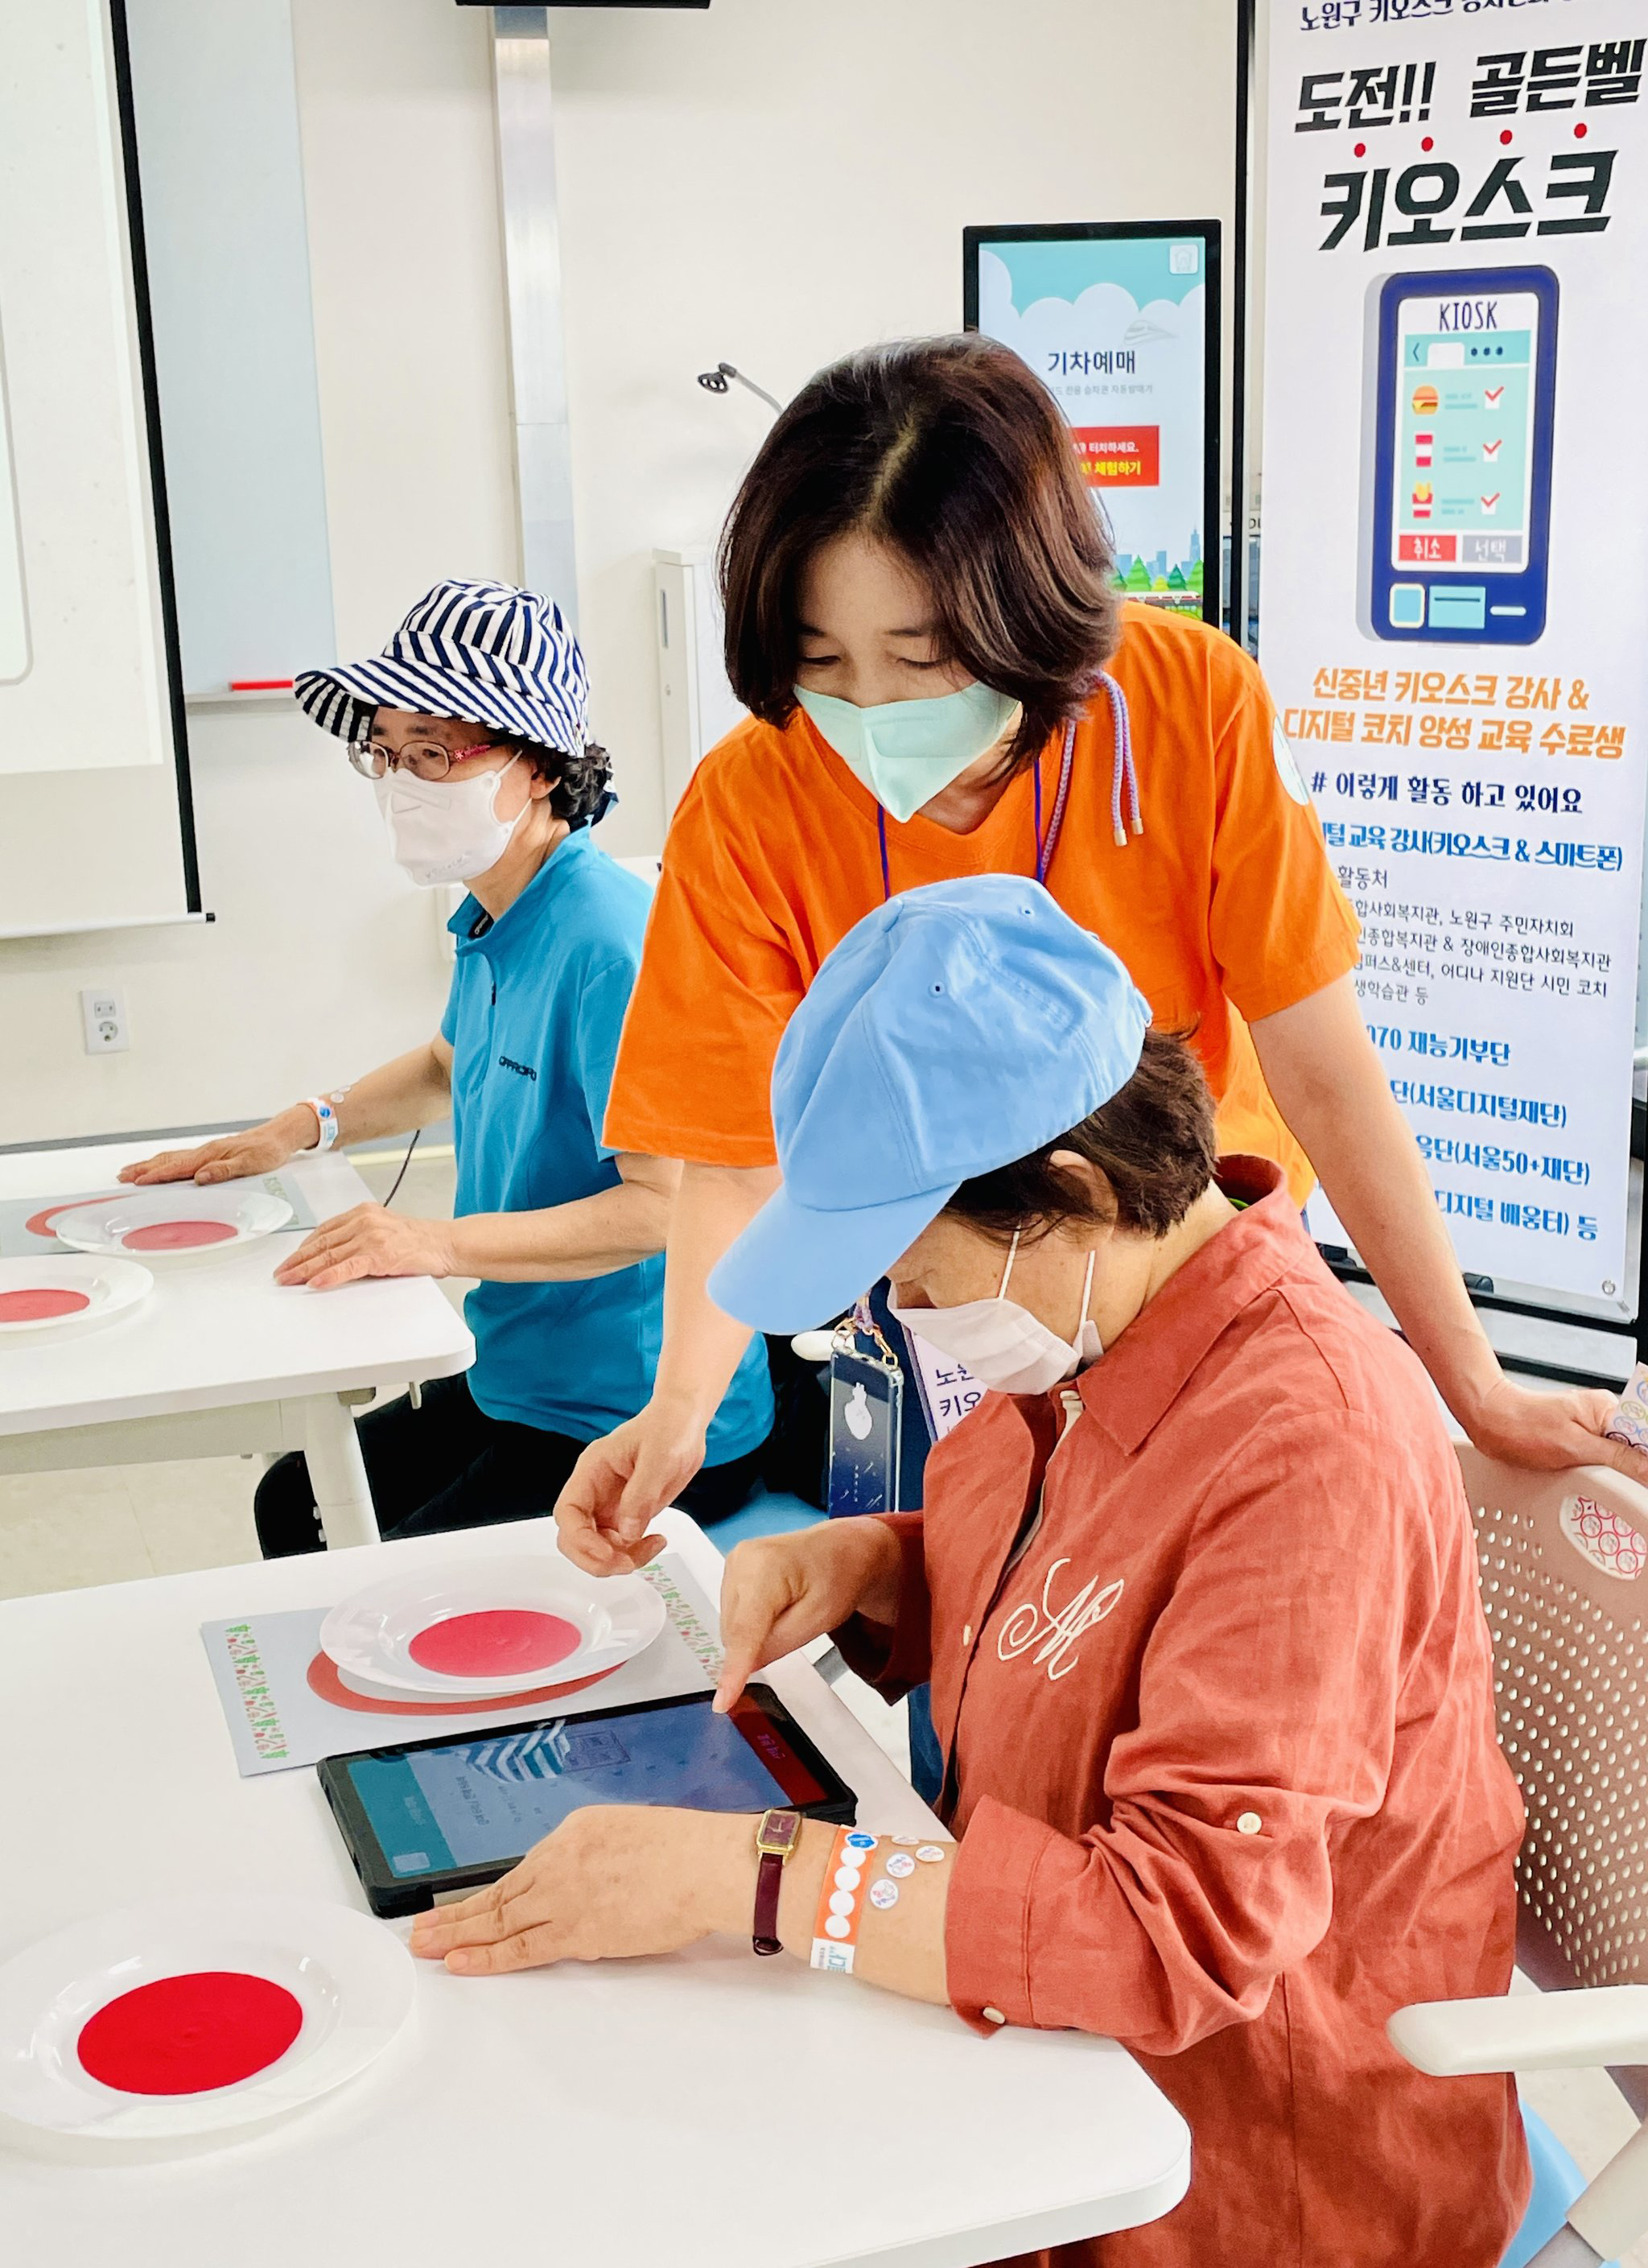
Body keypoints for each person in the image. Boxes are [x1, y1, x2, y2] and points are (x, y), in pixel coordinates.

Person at [414, 878, 1529, 2268]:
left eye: (911, 1266)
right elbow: (1095, 1571)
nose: (901, 1308)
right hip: (1044, 2066)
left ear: (1073, 1195)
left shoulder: (1312, 1443)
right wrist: (873, 1566)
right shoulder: (1093, 1329)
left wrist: (749, 1873)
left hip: (1238, 2163)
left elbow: (1175, 1934)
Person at [555, 333, 1646, 1581]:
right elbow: (733, 1150)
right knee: (988, 1618)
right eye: (822, 664)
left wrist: (1472, 1381)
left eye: (922, 658)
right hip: (955, 1296)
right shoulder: (751, 798)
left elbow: (1325, 1071)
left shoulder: (1190, 706)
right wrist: (680, 1413)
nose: (875, 715)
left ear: (1029, 607)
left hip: (1192, 1281)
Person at [119, 579, 772, 1553]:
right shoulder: (497, 912)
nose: (401, 781)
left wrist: (431, 1242)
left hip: (637, 1419)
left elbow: (662, 1207)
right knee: (294, 1500)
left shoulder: (608, 943)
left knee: (371, 1565)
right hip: (519, 1375)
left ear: (539, 764)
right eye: (385, 752)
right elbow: (444, 1063)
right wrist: (300, 1126)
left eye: (433, 752)